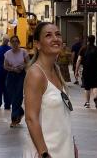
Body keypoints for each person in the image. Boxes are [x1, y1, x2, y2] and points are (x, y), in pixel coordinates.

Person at [24, 21, 75, 158]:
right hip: (46, 150)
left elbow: (63, 116)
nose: (55, 39)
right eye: (48, 35)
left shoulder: (56, 71)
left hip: (64, 148)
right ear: (38, 44)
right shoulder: (36, 74)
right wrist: (44, 153)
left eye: (58, 34)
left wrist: (73, 144)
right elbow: (30, 118)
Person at [5, 36, 29, 127]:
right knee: (11, 96)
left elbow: (29, 63)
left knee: (18, 96)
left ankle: (14, 119)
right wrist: (12, 69)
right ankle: (21, 112)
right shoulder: (7, 53)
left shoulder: (23, 52)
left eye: (16, 41)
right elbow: (5, 66)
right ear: (10, 43)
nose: (14, 43)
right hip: (11, 75)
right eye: (13, 41)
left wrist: (23, 67)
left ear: (19, 42)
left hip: (21, 75)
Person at [76, 35, 97, 109]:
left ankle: (87, 103)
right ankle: (96, 97)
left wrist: (76, 70)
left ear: (87, 40)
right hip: (96, 70)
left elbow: (79, 60)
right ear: (94, 40)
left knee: (87, 87)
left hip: (86, 70)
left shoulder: (83, 48)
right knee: (95, 85)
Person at [0, 37, 12, 110]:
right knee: (7, 88)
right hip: (8, 70)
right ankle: (7, 105)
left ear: (2, 40)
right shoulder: (10, 49)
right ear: (8, 41)